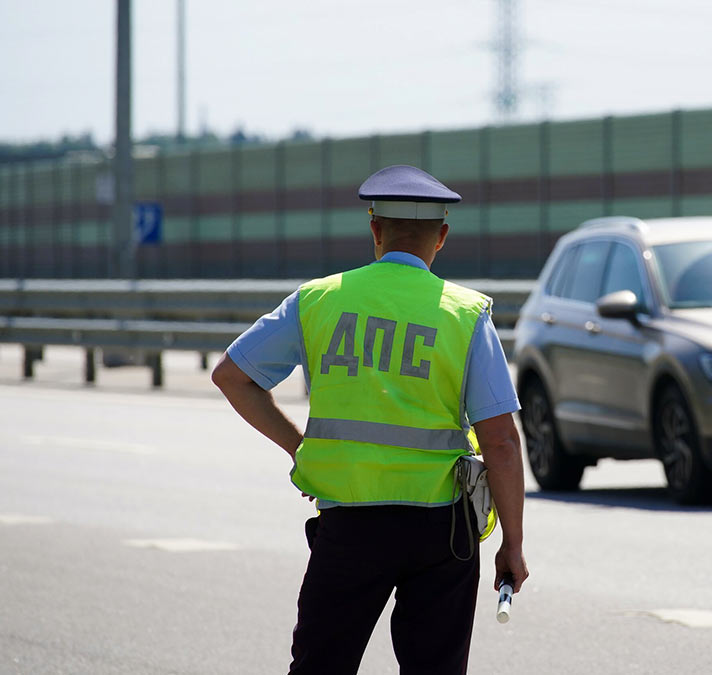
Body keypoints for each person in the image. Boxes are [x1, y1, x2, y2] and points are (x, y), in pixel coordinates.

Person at [211, 164, 529, 675]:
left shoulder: (318, 300)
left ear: (375, 230)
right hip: (441, 531)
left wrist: (301, 448)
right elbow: (502, 442)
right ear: (442, 238)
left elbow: (231, 375)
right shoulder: (466, 315)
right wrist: (512, 545)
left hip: (349, 528)